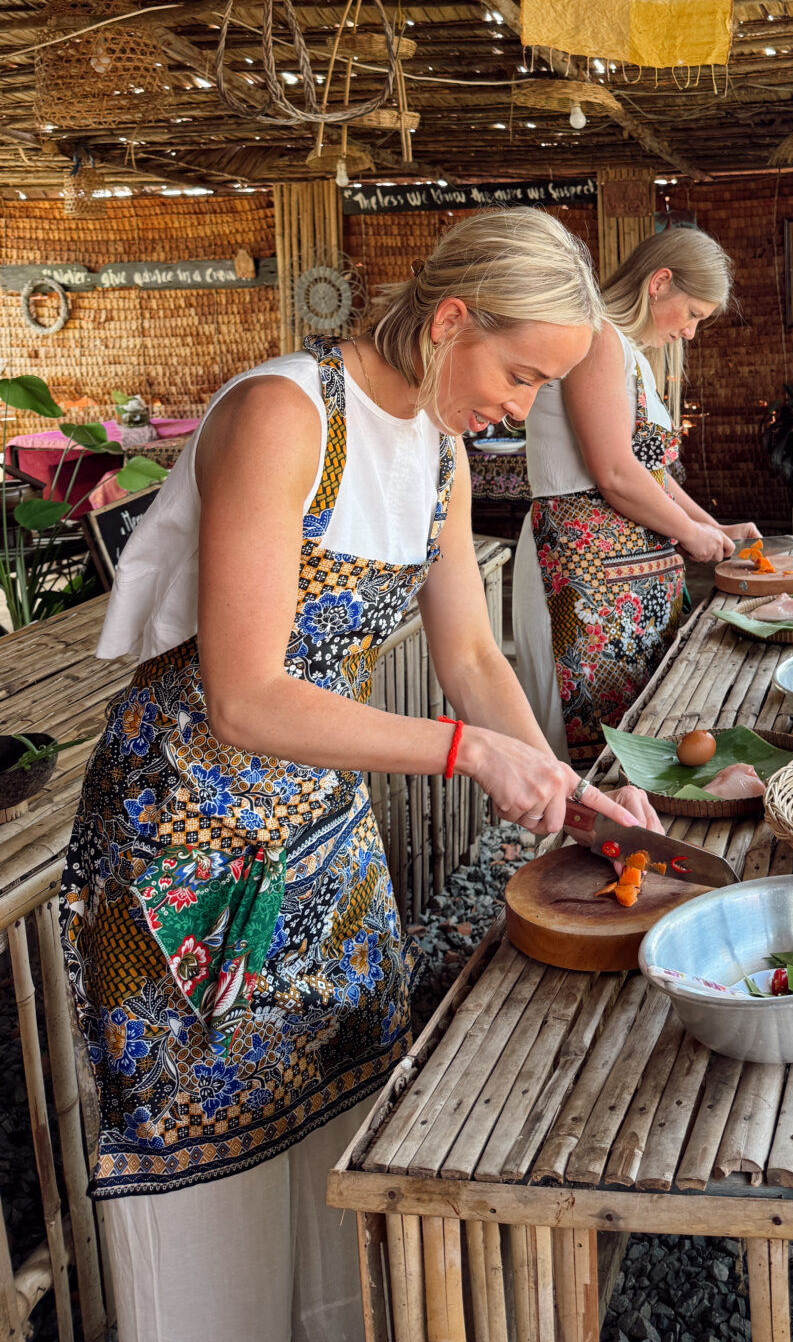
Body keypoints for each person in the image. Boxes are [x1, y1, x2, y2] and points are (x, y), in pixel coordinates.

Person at [61, 208, 660, 1342]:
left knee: (343, 1121)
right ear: (448, 322)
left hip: (320, 840)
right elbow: (243, 696)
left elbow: (472, 656)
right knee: (204, 1149)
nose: (521, 410)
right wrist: (464, 752)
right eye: (519, 374)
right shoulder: (286, 415)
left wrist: (570, 795)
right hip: (180, 842)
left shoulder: (435, 451)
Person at [515, 228, 758, 764]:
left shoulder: (629, 355)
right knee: (593, 751)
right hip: (579, 572)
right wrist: (690, 533)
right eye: (692, 313)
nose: (692, 332)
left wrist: (713, 527)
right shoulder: (597, 338)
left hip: (623, 572)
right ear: (660, 282)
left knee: (640, 737)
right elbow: (615, 473)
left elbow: (652, 474)